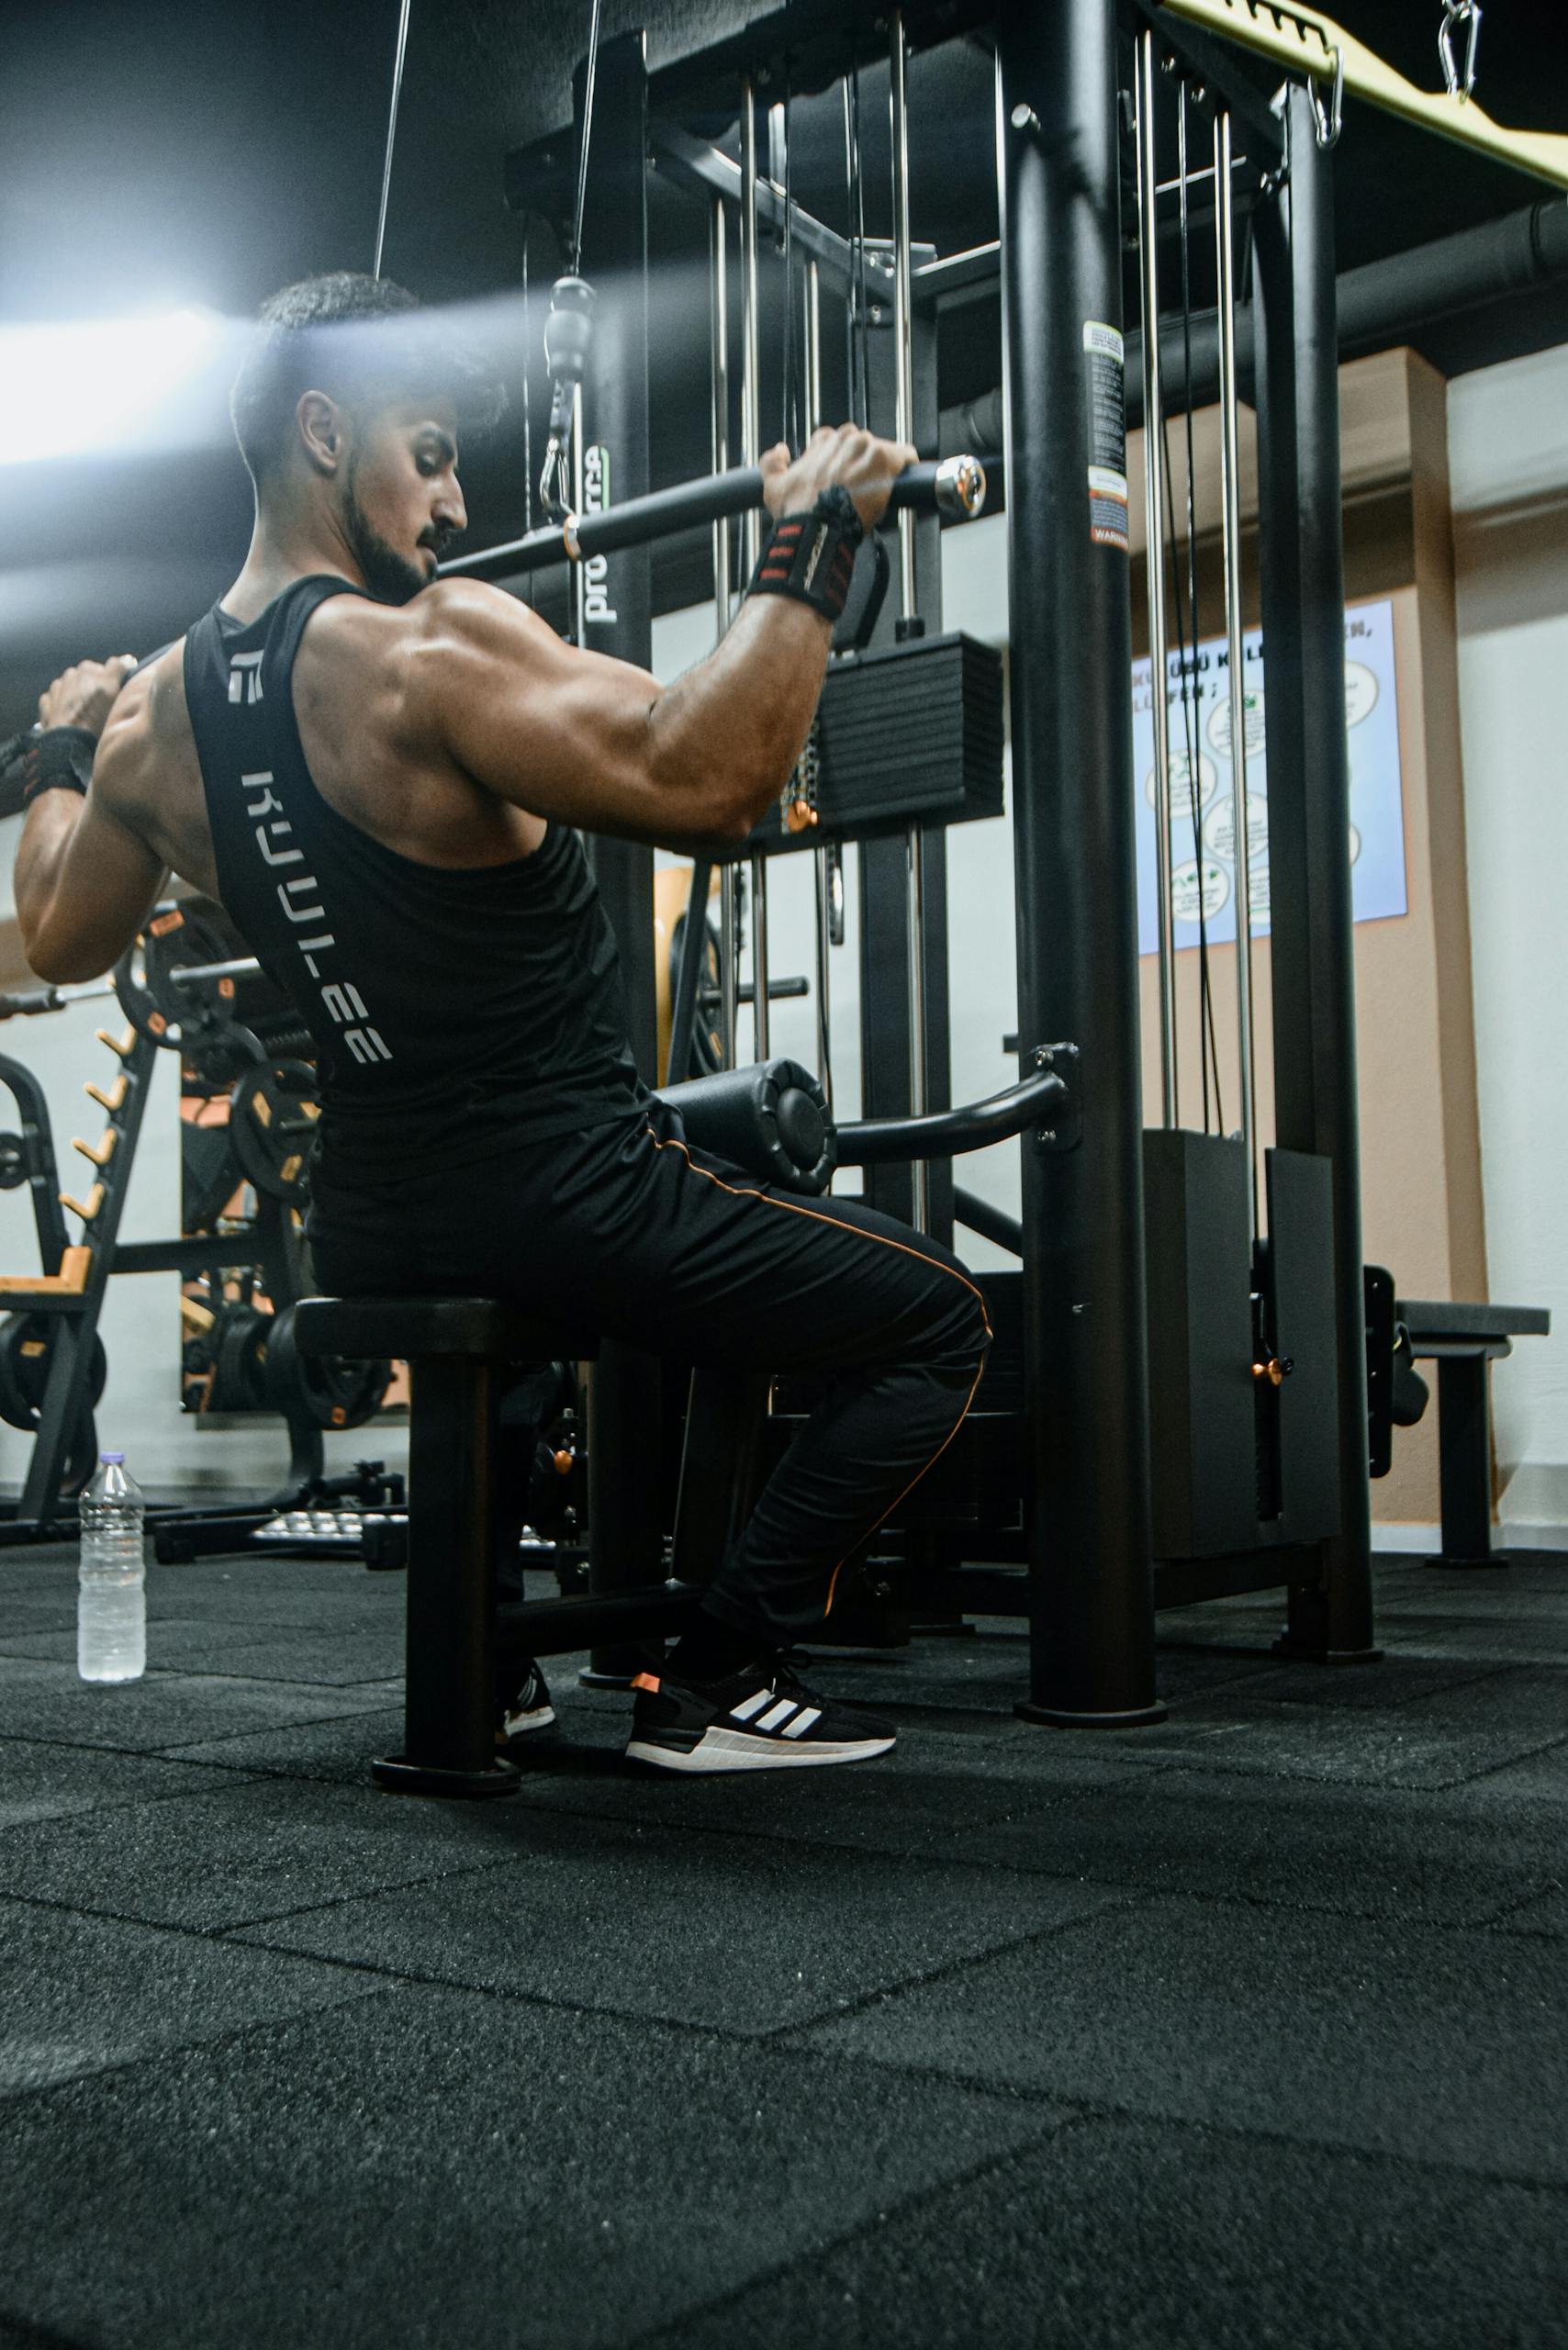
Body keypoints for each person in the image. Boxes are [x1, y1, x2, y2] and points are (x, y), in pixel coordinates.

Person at [15, 272, 991, 1774]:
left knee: (613, 1270)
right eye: (431, 451)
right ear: (326, 433)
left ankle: (499, 1668)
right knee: (940, 1319)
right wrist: (814, 536)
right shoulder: (431, 651)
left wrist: (56, 752)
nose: (456, 503)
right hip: (565, 1194)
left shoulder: (149, 722)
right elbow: (706, 778)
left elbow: (52, 937)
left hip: (378, 1217)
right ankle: (716, 1672)